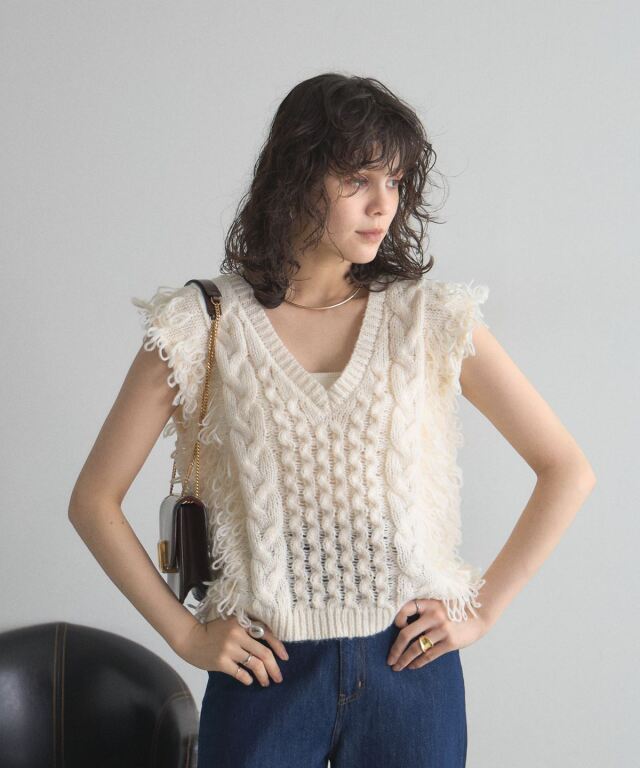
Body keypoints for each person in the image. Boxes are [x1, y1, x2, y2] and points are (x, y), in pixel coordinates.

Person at [68, 73, 597, 768]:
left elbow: (567, 469)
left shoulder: (429, 319)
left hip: (409, 669)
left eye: (396, 181)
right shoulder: (201, 324)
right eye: (357, 180)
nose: (384, 205)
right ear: (296, 175)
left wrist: (482, 609)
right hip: (264, 673)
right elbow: (93, 501)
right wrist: (186, 635)